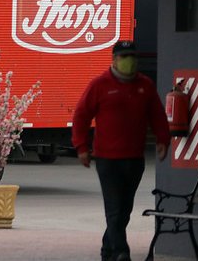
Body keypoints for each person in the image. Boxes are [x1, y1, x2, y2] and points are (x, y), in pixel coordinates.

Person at [71, 40, 171, 261]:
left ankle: (107, 250)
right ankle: (121, 251)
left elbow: (157, 114)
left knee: (124, 210)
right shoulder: (100, 85)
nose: (130, 61)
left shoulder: (145, 85)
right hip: (108, 160)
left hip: (134, 158)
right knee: (114, 209)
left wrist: (164, 139)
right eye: (124, 57)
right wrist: (81, 147)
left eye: (132, 56)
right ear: (114, 60)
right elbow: (81, 115)